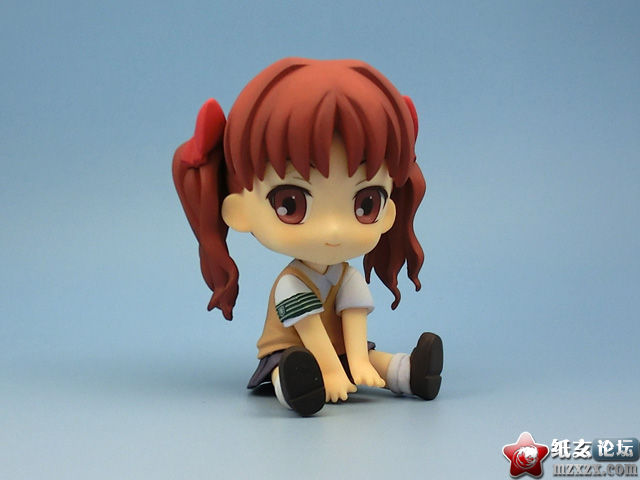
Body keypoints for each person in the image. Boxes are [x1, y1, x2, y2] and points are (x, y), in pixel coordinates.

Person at [172, 58, 443, 416]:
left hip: (339, 347)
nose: (333, 230)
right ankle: (297, 390)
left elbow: (354, 317)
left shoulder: (346, 275)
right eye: (291, 203)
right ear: (238, 210)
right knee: (287, 368)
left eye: (366, 204)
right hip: (290, 350)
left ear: (389, 212)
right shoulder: (291, 283)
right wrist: (330, 371)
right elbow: (309, 328)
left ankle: (410, 374)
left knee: (372, 359)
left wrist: (357, 361)